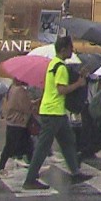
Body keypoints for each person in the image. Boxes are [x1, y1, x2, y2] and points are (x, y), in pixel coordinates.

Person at [22, 36, 93, 190]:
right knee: (43, 146)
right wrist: (79, 84)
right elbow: (61, 90)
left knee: (68, 141)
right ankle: (30, 178)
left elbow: (51, 88)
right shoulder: (60, 67)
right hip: (53, 112)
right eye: (70, 48)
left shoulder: (52, 65)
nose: (72, 51)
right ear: (63, 49)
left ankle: (75, 172)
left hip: (56, 112)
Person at [0, 78, 37, 177]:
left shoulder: (11, 88)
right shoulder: (20, 91)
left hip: (13, 121)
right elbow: (25, 107)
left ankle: (34, 168)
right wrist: (34, 104)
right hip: (18, 121)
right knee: (10, 146)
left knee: (28, 145)